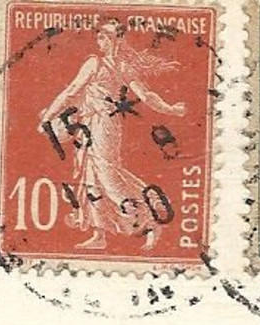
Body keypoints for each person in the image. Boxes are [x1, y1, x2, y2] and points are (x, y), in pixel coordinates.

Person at [37, 20, 187, 252]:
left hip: (105, 125)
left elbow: (146, 95)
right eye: (98, 37)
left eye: (104, 37)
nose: (100, 41)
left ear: (116, 39)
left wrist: (171, 109)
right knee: (91, 176)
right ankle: (99, 234)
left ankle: (150, 221)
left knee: (108, 176)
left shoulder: (120, 67)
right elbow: (71, 92)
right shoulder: (95, 63)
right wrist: (48, 115)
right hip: (88, 124)